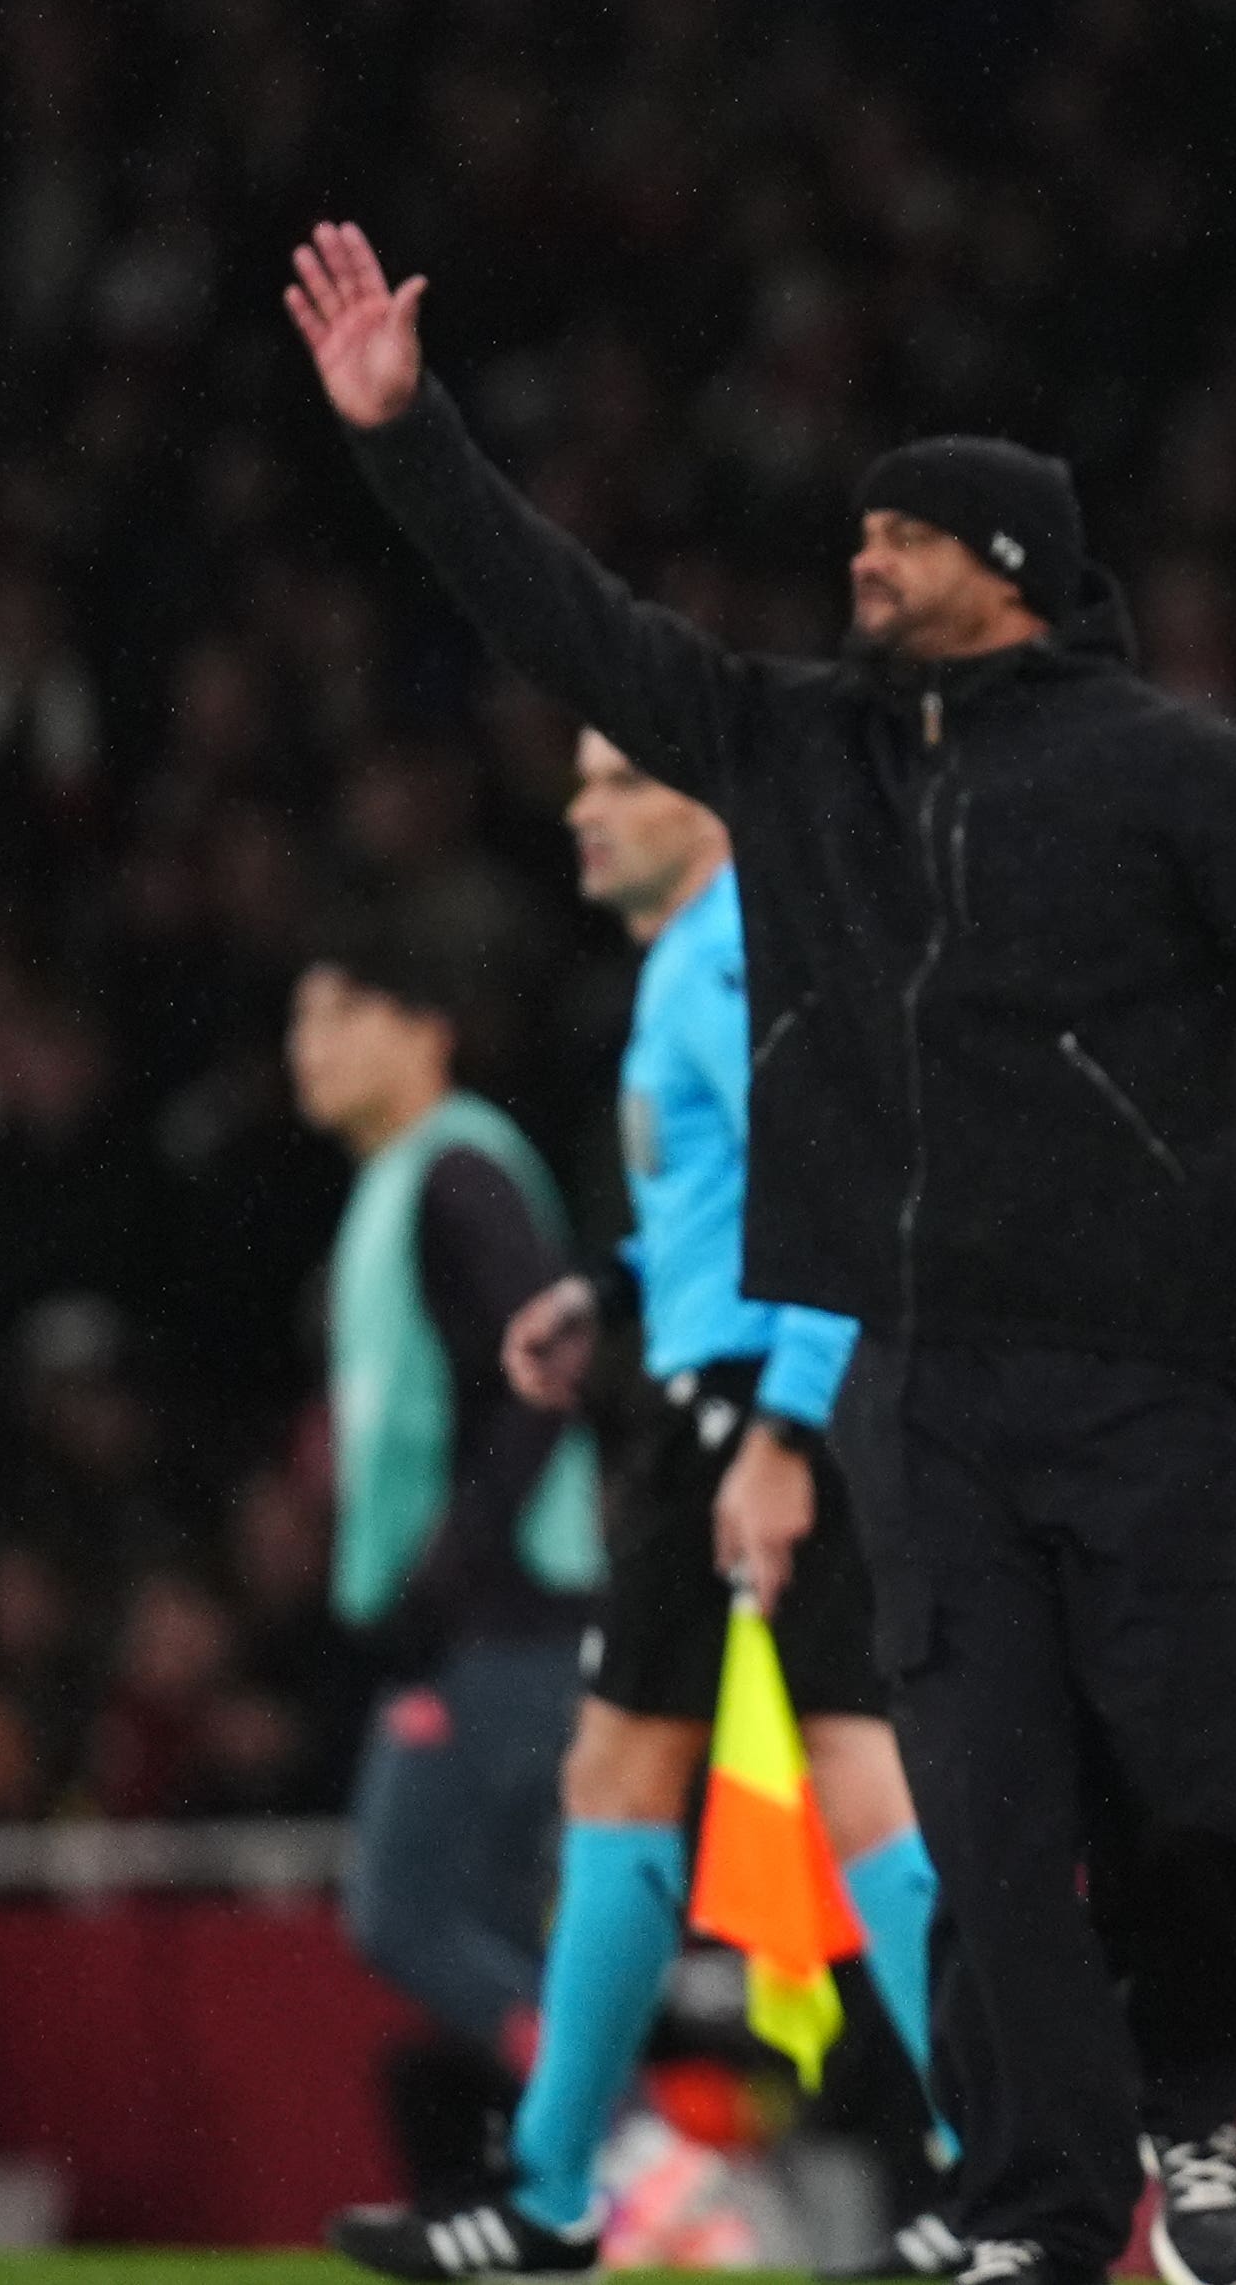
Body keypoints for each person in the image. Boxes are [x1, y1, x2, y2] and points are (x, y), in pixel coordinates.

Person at [287, 222, 1236, 2285]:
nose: (857, 562)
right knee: (977, 1814)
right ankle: (1038, 2204)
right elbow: (575, 628)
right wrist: (412, 440)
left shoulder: (1171, 775)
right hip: (920, 1380)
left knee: (1201, 1794)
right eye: (854, 533)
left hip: (1154, 1368)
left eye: (900, 538)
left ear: (1010, 569)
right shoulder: (804, 753)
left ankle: (1191, 2090)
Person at [331, 733, 942, 2278]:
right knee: (656, 1776)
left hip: (759, 1409)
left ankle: (1002, 2164)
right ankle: (556, 2190)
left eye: (615, 780)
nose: (578, 812)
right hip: (711, 1398)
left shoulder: (747, 945)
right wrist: (601, 1298)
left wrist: (783, 1431)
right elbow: (725, 1205)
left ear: (712, 797)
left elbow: (844, 1189)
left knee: (833, 1781)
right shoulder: (693, 960)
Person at [287, 929, 603, 2196]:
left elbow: (547, 1375)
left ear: (427, 1027)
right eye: (301, 1025)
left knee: (408, 1913)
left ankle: (626, 2135)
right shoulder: (406, 1175)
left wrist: (452, 1563)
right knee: (489, 1923)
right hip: (490, 1618)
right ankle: (566, 2196)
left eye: (342, 1014)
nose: (310, 1050)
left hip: (504, 1620)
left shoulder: (458, 1169)